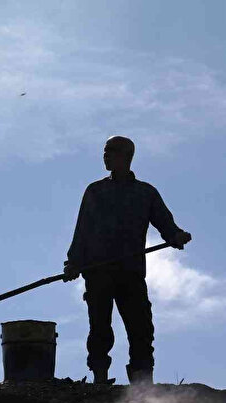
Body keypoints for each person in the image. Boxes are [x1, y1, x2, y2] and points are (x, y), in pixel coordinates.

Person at [63, 136, 192, 384]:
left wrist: (176, 236)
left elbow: (165, 222)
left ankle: (142, 383)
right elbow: (83, 230)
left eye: (111, 151)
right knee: (100, 328)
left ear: (126, 156)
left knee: (141, 328)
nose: (105, 156)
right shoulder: (95, 191)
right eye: (104, 152)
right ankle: (100, 378)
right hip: (98, 271)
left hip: (130, 272)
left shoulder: (145, 193)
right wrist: (73, 262)